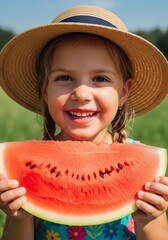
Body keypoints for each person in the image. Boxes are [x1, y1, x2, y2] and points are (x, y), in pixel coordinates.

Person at [0, 5, 168, 240]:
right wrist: (20, 217)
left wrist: (149, 220)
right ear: (43, 90)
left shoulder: (142, 171)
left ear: (124, 91)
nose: (81, 93)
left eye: (100, 78)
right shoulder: (29, 173)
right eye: (64, 78)